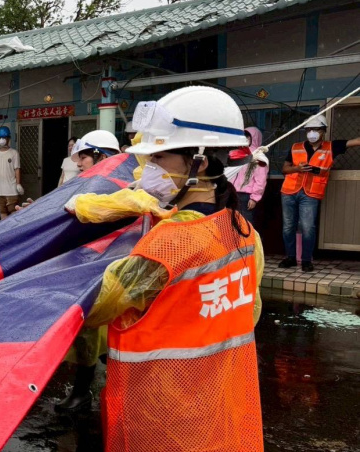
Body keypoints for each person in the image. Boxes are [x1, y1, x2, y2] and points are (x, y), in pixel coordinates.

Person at [66, 86, 265, 451]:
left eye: (158, 158)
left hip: (160, 418)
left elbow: (95, 308)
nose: (148, 170)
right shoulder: (245, 233)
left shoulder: (168, 243)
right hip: (222, 415)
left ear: (199, 163)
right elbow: (249, 312)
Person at [280, 115, 360, 272]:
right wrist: (297, 169)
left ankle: (306, 261)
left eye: (315, 129)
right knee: (288, 227)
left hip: (311, 194)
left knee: (308, 227)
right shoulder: (295, 147)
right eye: (309, 129)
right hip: (289, 191)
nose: (311, 133)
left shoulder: (332, 147)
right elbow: (284, 169)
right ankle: (290, 257)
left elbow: (356, 141)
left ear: (323, 131)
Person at [231, 127, 268, 226]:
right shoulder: (237, 153)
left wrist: (254, 198)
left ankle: (248, 242)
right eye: (244, 136)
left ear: (254, 138)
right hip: (232, 193)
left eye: (248, 136)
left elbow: (261, 179)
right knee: (232, 223)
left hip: (246, 196)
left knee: (246, 224)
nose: (245, 138)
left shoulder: (258, 156)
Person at [0, 126, 23, 219]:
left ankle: (14, 232)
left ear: (9, 139)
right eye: (0, 138)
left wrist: (18, 184)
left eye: (4, 137)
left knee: (13, 211)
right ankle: (5, 232)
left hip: (11, 189)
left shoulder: (14, 153)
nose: (2, 140)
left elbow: (17, 169)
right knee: (2, 211)